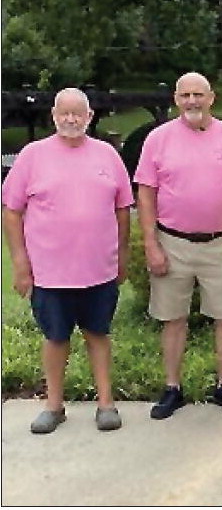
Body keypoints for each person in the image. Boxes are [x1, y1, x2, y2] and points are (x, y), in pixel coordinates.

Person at [2, 88, 132, 433]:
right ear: (54, 116)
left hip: (99, 269)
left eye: (78, 114)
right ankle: (54, 406)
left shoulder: (107, 155)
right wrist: (20, 263)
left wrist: (123, 255)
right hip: (49, 273)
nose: (71, 119)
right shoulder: (32, 156)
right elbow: (12, 212)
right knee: (55, 337)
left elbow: (122, 209)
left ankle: (106, 404)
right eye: (64, 113)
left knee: (98, 334)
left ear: (90, 118)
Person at [134, 72, 222, 419]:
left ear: (211, 98)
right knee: (173, 319)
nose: (192, 101)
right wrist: (151, 245)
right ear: (176, 99)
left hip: (220, 242)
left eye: (198, 94)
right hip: (173, 242)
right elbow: (146, 193)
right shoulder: (158, 140)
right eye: (185, 95)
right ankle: (172, 388)